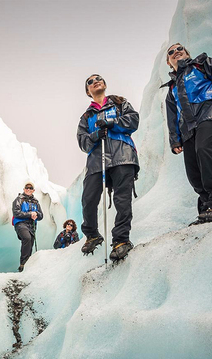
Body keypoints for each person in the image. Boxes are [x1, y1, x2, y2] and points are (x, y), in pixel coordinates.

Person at [161, 44, 212, 223]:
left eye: (179, 48)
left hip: (211, 112)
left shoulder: (202, 64)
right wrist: (175, 140)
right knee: (193, 169)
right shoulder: (171, 88)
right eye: (171, 52)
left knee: (205, 151)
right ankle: (207, 205)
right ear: (169, 62)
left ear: (187, 53)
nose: (176, 52)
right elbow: (172, 116)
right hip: (188, 127)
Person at [77, 74, 140, 261]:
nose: (95, 81)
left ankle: (121, 240)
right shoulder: (86, 116)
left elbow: (133, 121)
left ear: (104, 84)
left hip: (122, 156)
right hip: (97, 161)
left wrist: (113, 123)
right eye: (90, 81)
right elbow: (82, 142)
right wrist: (95, 135)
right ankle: (92, 234)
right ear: (88, 91)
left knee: (122, 200)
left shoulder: (120, 103)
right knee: (88, 199)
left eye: (99, 79)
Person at [12, 182, 43, 272]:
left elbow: (41, 216)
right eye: (27, 188)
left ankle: (26, 265)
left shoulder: (36, 202)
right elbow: (16, 212)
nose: (28, 189)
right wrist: (30, 214)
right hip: (20, 223)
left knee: (30, 244)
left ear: (33, 190)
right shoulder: (18, 199)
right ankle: (23, 263)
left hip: (32, 226)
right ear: (24, 189)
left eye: (30, 188)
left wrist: (36, 213)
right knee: (27, 238)